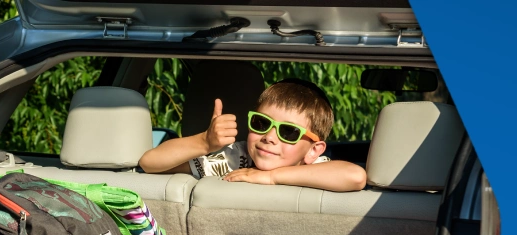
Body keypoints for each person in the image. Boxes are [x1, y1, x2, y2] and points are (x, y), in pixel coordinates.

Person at [138, 79, 367, 192]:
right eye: (261, 123)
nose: (269, 136)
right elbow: (149, 163)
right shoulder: (235, 159)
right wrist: (204, 142)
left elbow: (355, 177)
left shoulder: (315, 167)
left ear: (313, 150)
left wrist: (272, 177)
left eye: (288, 132)